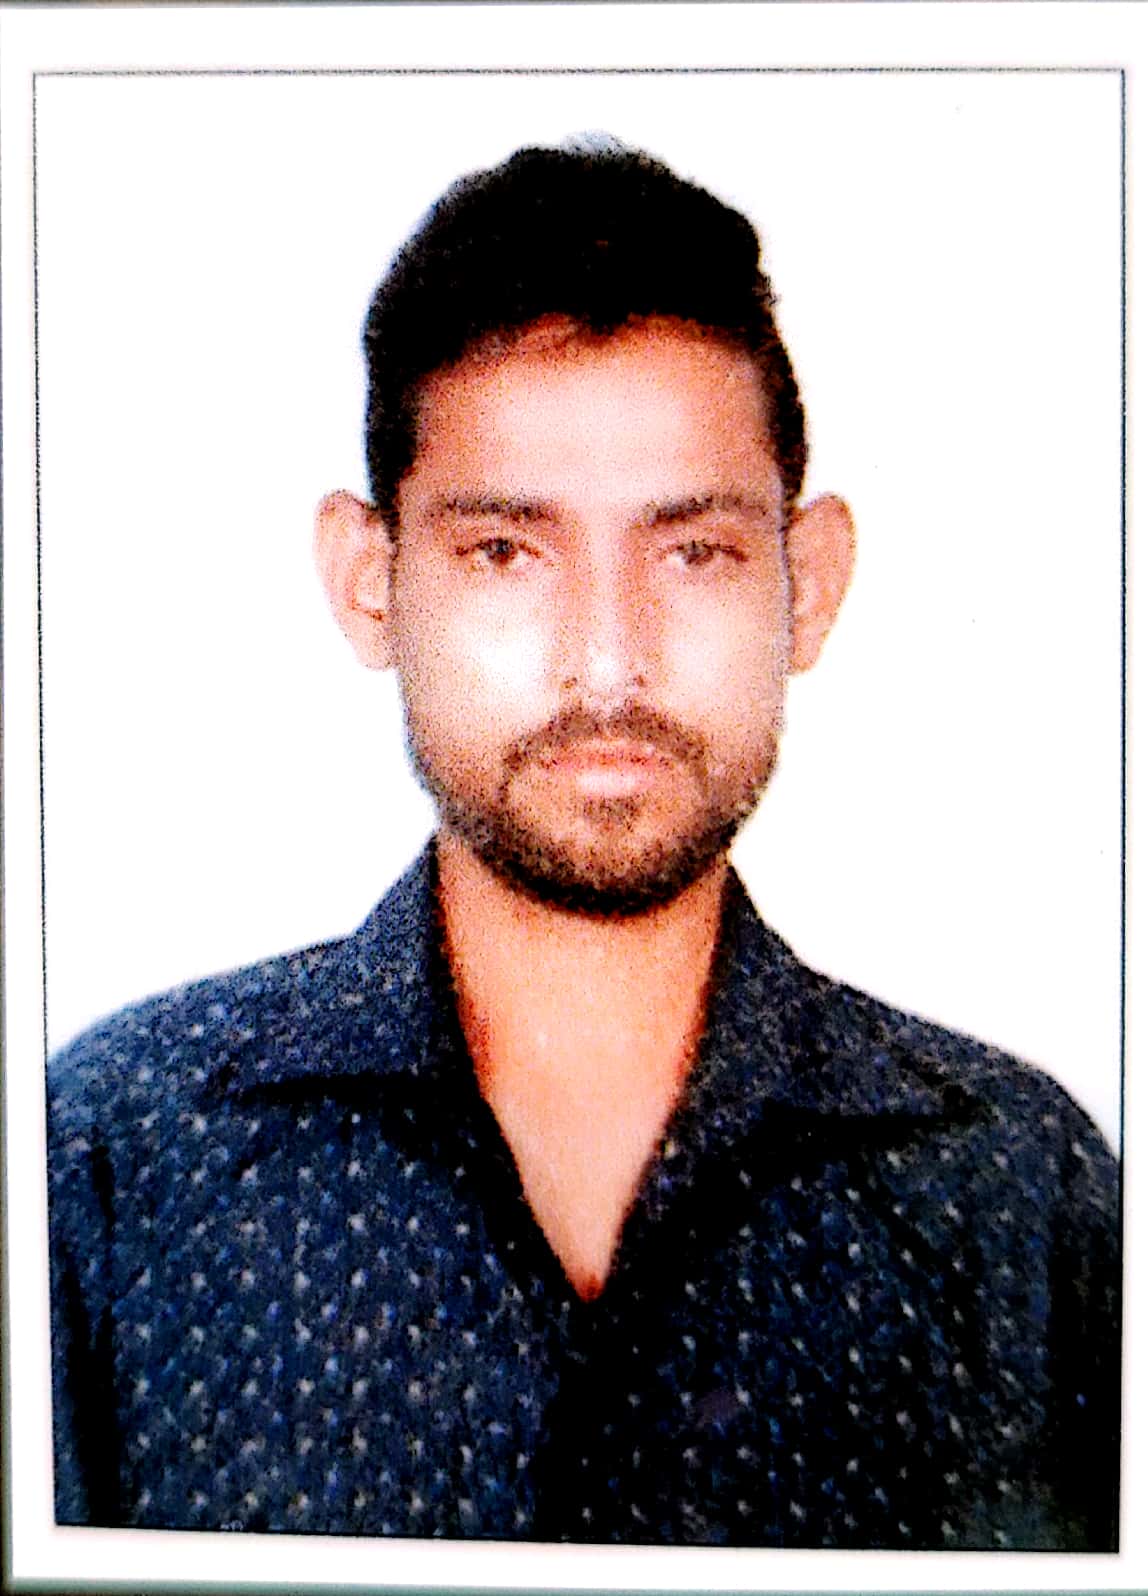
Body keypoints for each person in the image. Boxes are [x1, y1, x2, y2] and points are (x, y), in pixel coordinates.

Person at [47, 139, 1119, 1550]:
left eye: (693, 553)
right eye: (507, 551)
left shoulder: (1020, 1196)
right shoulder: (119, 1164)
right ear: (372, 584)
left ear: (809, 584)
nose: (608, 661)